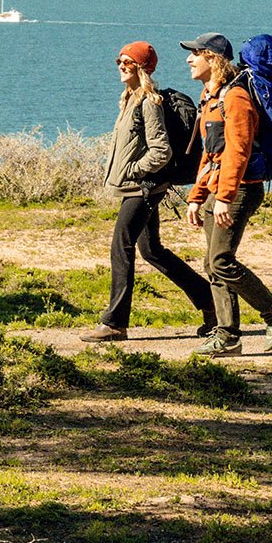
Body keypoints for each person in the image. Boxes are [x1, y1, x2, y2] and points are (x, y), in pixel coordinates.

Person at [79, 41, 218, 342]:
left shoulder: (148, 102)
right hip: (138, 187)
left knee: (121, 246)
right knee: (151, 250)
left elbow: (161, 152)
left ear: (141, 67)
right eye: (119, 60)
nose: (120, 66)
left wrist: (133, 171)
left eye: (127, 62)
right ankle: (210, 302)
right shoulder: (129, 98)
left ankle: (115, 322)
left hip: (143, 188)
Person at [180, 32, 272, 355]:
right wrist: (196, 195)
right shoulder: (211, 97)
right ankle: (227, 335)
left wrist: (225, 197)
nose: (189, 59)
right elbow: (211, 152)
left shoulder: (235, 98)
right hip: (217, 191)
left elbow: (239, 151)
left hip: (240, 190)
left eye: (196, 54)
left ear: (213, 59)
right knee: (212, 263)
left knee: (220, 260)